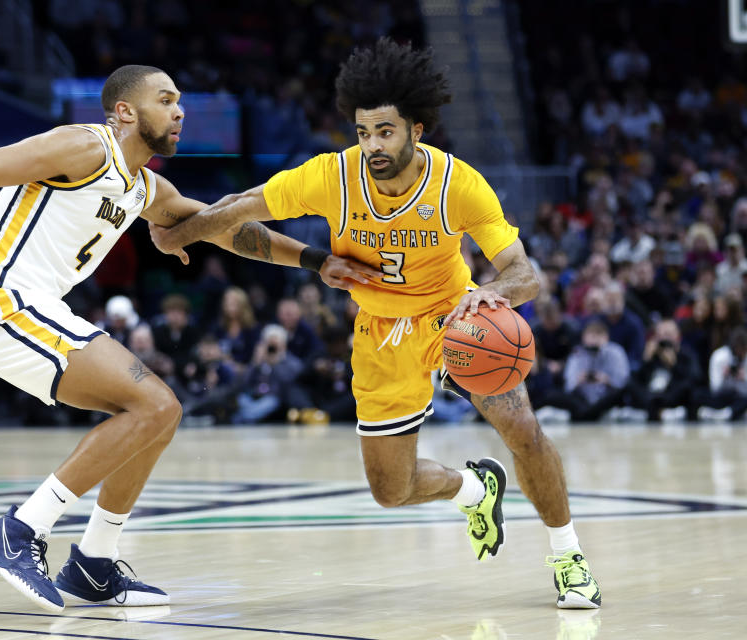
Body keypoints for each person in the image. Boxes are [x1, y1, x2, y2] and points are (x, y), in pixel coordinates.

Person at [149, 39, 601, 608]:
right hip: (381, 331)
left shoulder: (457, 184)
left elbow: (524, 274)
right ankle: (472, 487)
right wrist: (178, 234)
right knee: (392, 490)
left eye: (385, 132)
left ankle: (569, 557)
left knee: (524, 431)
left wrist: (489, 295)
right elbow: (240, 208)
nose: (372, 146)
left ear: (417, 128)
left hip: (453, 315)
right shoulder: (331, 177)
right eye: (363, 133)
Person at [0, 65, 377, 612]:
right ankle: (18, 532)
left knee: (158, 414)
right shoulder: (84, 146)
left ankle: (93, 563)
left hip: (33, 310)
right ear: (125, 112)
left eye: (180, 100)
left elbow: (224, 225)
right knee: (154, 403)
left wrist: (315, 260)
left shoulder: (144, 187)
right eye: (166, 100)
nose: (180, 111)